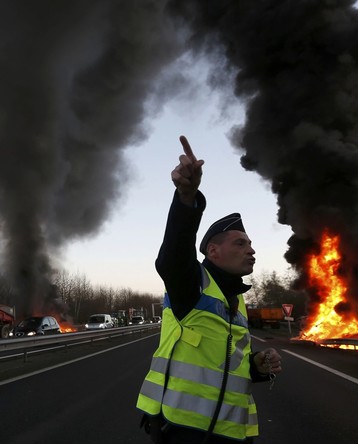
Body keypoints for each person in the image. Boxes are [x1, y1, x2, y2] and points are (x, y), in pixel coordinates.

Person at [137, 135, 283, 443]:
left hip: (231, 434)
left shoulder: (238, 300)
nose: (251, 250)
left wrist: (256, 366)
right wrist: (186, 197)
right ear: (213, 251)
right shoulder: (191, 285)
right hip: (182, 432)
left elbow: (229, 362)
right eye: (241, 244)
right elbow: (173, 255)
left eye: (251, 244)